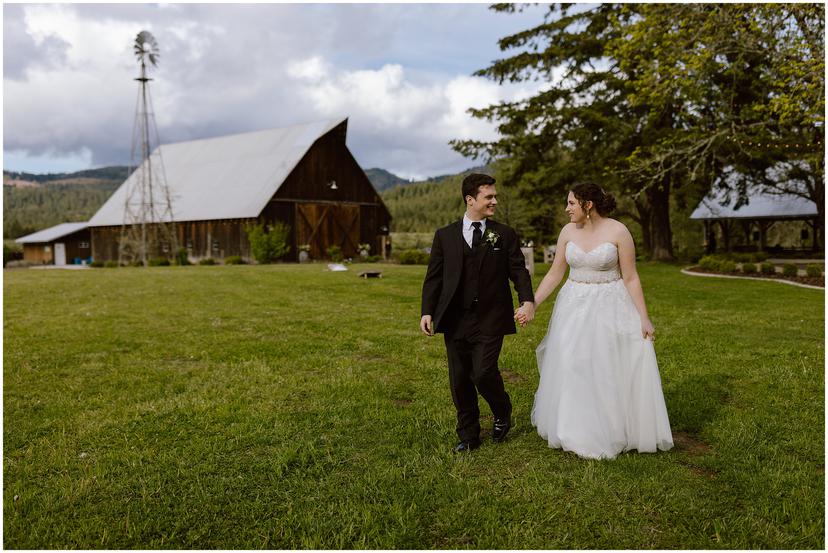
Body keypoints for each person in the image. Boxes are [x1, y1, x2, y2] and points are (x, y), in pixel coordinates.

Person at [517, 182, 673, 460]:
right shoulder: (567, 232)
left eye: (571, 203)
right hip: (573, 305)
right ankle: (574, 428)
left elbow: (631, 277)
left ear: (588, 205)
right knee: (574, 364)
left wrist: (644, 317)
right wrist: (533, 304)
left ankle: (612, 429)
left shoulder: (619, 231)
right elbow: (554, 274)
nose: (566, 209)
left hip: (610, 304)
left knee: (605, 365)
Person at [420, 173, 535, 453]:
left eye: (495, 196)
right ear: (470, 200)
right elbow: (434, 277)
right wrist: (427, 311)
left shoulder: (503, 234)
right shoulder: (444, 236)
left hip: (492, 316)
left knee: (483, 372)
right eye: (489, 197)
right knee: (459, 378)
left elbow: (518, 270)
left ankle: (501, 409)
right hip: (455, 318)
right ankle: (469, 434)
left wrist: (527, 300)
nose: (494, 201)